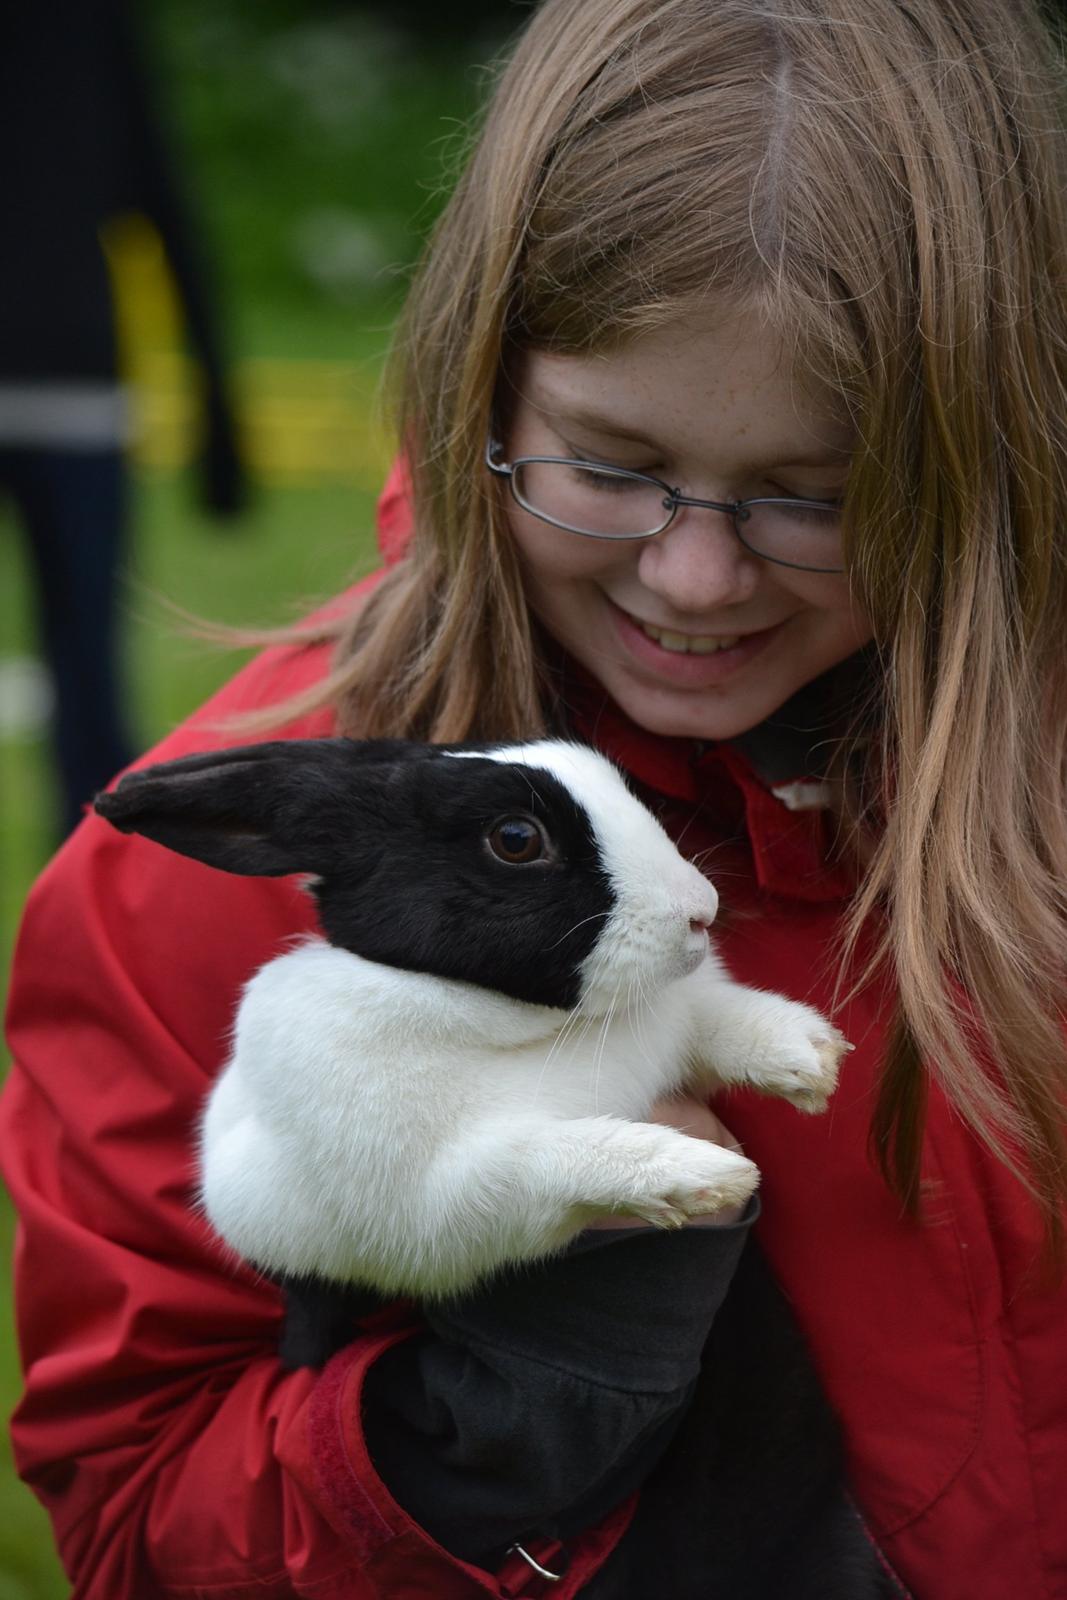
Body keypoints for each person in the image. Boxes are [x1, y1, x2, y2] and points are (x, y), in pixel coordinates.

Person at [2, 0, 1066, 1594]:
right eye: (610, 462)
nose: (695, 579)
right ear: (478, 378)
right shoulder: (207, 888)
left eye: (817, 498)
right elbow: (143, 1509)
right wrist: (499, 1417)